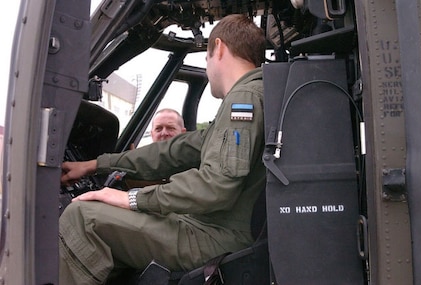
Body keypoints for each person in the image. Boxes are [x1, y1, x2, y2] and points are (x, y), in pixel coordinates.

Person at [59, 14, 267, 285]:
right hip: (211, 228)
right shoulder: (252, 95)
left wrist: (131, 199)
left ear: (219, 48)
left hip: (216, 237)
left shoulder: (245, 98)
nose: (207, 68)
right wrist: (95, 165)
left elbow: (215, 187)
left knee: (82, 218)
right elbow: (173, 151)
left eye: (206, 58)